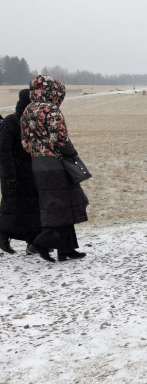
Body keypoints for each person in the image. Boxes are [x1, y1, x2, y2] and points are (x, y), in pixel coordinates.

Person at [20, 75, 89, 262]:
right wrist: (72, 153)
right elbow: (61, 139)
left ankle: (67, 249)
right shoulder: (51, 109)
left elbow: (25, 143)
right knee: (67, 204)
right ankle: (41, 244)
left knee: (57, 207)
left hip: (37, 164)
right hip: (56, 165)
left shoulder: (28, 110)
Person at [0, 89, 41, 253]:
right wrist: (9, 174)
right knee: (12, 207)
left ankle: (32, 241)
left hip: (30, 172)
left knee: (31, 207)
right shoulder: (12, 121)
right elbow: (3, 150)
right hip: (13, 173)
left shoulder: (33, 121)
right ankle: (2, 237)